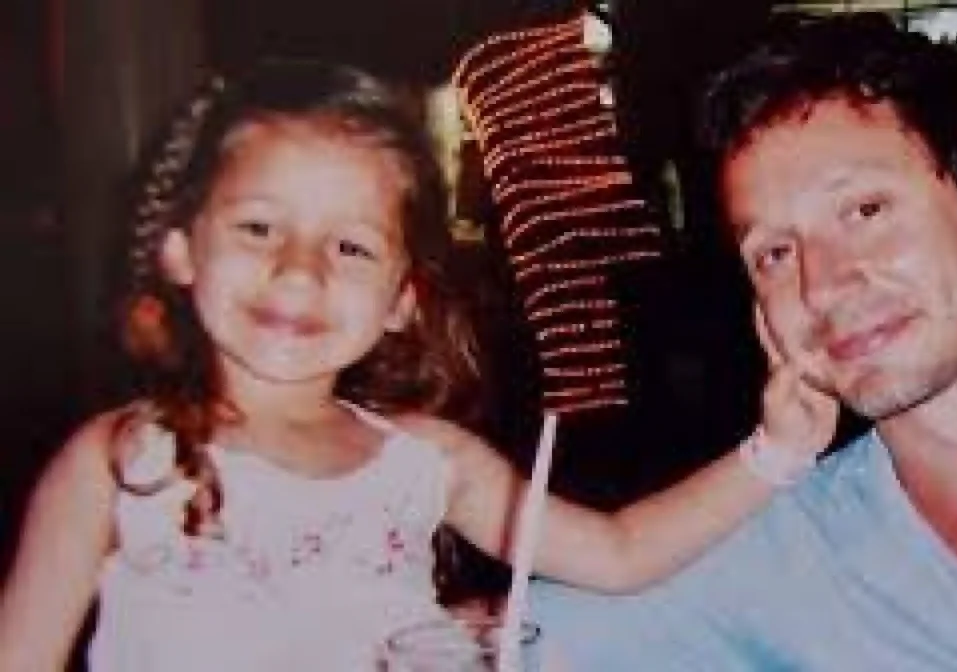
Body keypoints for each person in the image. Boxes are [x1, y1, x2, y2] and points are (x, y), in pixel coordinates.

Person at [0, 59, 835, 671]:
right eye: (259, 227)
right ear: (182, 249)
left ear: (404, 297)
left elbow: (618, 553)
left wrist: (776, 451)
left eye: (351, 247)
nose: (300, 270)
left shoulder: (425, 463)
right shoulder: (118, 464)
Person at [528, 13, 957, 670]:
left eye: (865, 211)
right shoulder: (782, 557)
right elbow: (513, 639)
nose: (822, 286)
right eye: (775, 253)